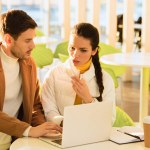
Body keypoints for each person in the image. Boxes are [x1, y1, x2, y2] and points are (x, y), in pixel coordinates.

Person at [0, 9, 62, 149]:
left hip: (17, 140)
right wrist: (28, 130)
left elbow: (34, 105)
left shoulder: (29, 63)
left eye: (33, 39)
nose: (33, 46)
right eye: (27, 40)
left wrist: (43, 128)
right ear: (8, 40)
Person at [41, 23, 116, 125]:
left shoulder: (106, 80)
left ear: (94, 51)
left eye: (83, 50)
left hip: (93, 137)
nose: (75, 55)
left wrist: (88, 99)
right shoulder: (53, 74)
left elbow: (109, 119)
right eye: (72, 48)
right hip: (60, 135)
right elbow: (48, 110)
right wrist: (64, 123)